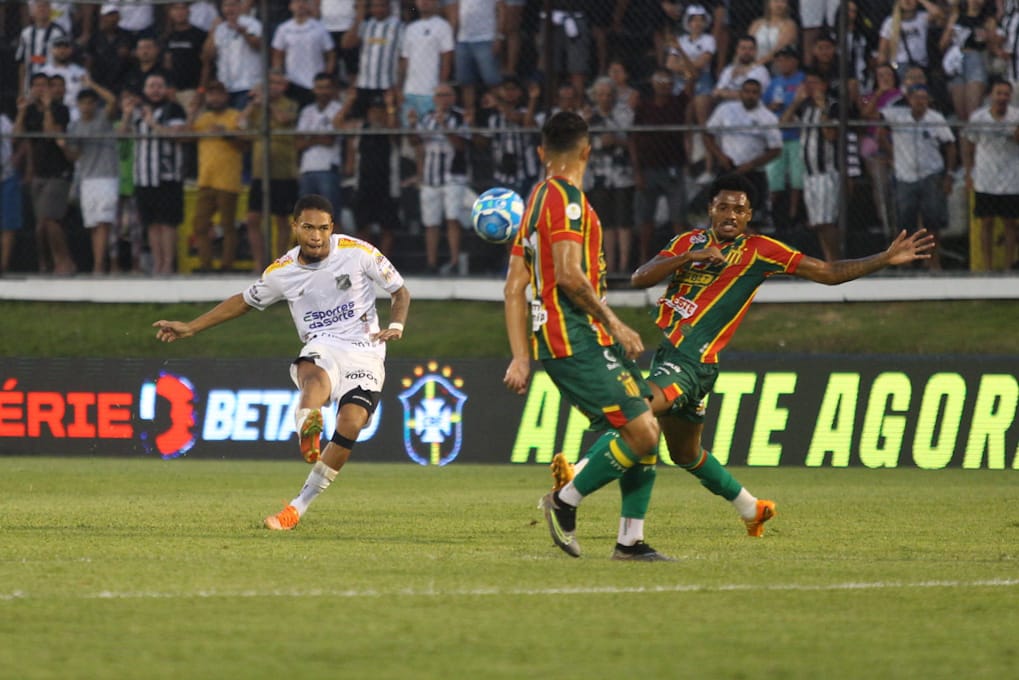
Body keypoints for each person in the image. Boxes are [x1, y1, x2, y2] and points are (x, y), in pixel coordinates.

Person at [627, 174, 935, 535]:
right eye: (723, 206)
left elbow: (828, 272)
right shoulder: (687, 241)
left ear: (749, 215)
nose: (730, 214)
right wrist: (688, 257)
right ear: (710, 209)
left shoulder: (760, 249)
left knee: (635, 410)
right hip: (673, 351)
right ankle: (752, 509)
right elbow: (640, 278)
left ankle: (572, 488)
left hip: (693, 361)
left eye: (739, 209)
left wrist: (883, 258)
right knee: (685, 454)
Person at [152, 194, 411, 531]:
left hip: (366, 349)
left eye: (322, 228)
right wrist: (191, 326)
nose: (315, 236)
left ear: (332, 228)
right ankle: (308, 421)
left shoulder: (359, 252)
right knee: (315, 380)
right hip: (323, 344)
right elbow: (242, 302)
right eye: (307, 228)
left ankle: (297, 508)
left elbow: (400, 292)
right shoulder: (282, 272)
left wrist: (396, 326)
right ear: (294, 227)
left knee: (351, 421)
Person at [503, 111, 672, 562]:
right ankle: (564, 500)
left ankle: (630, 541)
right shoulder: (567, 199)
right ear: (587, 151)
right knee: (641, 433)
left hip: (569, 337)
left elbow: (513, 286)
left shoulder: (536, 198)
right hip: (575, 334)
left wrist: (520, 356)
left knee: (645, 426)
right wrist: (616, 321)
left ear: (542, 153)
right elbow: (571, 276)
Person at [879, 84, 956, 270]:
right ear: (909, 99)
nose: (920, 101)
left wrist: (949, 174)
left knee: (932, 223)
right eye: (916, 97)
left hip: (930, 175)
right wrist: (891, 155)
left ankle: (933, 263)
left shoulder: (935, 119)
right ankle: (906, 264)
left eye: (924, 97)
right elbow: (877, 126)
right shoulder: (897, 116)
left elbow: (950, 145)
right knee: (905, 225)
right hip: (905, 176)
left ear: (928, 100)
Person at [120, 72, 188, 275]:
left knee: (168, 223)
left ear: (166, 89)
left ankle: (168, 264)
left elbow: (177, 136)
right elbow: (123, 136)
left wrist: (152, 124)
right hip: (143, 176)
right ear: (144, 90)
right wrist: (126, 115)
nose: (155, 90)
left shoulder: (173, 109)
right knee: (151, 223)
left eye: (159, 86)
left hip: (167, 176)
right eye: (151, 86)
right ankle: (158, 264)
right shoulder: (138, 111)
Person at [14, 71, 75, 274]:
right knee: (41, 225)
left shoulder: (60, 109)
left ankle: (64, 261)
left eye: (44, 85)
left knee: (51, 218)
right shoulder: (29, 110)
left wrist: (47, 107)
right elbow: (17, 137)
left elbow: (50, 134)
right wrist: (21, 111)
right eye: (37, 86)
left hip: (57, 172)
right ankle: (45, 263)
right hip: (38, 172)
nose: (41, 90)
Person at [703, 78, 782, 232]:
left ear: (760, 95)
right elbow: (708, 134)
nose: (750, 95)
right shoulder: (725, 110)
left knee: (752, 221)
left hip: (753, 173)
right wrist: (719, 156)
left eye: (754, 92)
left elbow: (776, 149)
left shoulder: (767, 117)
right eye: (747, 91)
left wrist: (751, 165)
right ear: (740, 93)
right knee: (721, 217)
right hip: (728, 169)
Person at [239, 70, 300, 270]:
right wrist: (251, 105)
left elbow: (284, 119)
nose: (273, 87)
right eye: (270, 83)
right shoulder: (257, 108)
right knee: (253, 219)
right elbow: (240, 126)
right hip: (260, 172)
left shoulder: (291, 103)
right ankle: (260, 263)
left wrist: (268, 104)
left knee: (282, 219)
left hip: (283, 172)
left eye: (278, 83)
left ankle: (281, 263)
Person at [408, 82, 471, 274]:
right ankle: (431, 262)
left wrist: (445, 126)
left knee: (452, 218)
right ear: (434, 99)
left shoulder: (460, 118)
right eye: (439, 95)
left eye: (447, 95)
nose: (443, 99)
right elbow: (415, 142)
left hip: (453, 176)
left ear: (453, 98)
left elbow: (462, 146)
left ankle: (453, 261)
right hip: (430, 177)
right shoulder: (427, 118)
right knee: (431, 222)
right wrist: (411, 126)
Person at [60, 82, 119, 274]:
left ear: (95, 104)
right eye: (83, 103)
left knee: (103, 223)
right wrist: (64, 146)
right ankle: (99, 263)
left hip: (106, 177)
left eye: (91, 102)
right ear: (78, 105)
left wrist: (91, 83)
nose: (87, 106)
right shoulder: (75, 126)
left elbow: (112, 100)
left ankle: (99, 266)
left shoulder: (103, 118)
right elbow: (74, 156)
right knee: (93, 225)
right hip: (87, 179)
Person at [187, 80, 245, 272]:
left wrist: (226, 134)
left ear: (226, 96)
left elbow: (245, 144)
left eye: (218, 94)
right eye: (211, 94)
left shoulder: (235, 116)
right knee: (200, 225)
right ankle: (205, 264)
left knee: (227, 225)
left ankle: (227, 265)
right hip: (206, 179)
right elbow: (185, 135)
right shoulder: (203, 118)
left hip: (228, 180)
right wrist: (193, 111)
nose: (215, 98)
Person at [963, 79, 1019, 270]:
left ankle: (1008, 266)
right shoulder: (978, 118)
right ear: (991, 96)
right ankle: (987, 268)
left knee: (1010, 223)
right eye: (999, 93)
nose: (1002, 97)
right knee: (986, 222)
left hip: (1011, 179)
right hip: (985, 178)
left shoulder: (1016, 117)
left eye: (1006, 94)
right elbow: (969, 145)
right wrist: (969, 173)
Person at [271, 0, 336, 108]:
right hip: (292, 83)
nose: (300, 5)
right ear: (290, 6)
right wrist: (279, 77)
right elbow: (277, 55)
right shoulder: (283, 29)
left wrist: (326, 77)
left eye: (304, 2)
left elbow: (330, 55)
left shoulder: (320, 28)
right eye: (296, 2)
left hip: (315, 83)